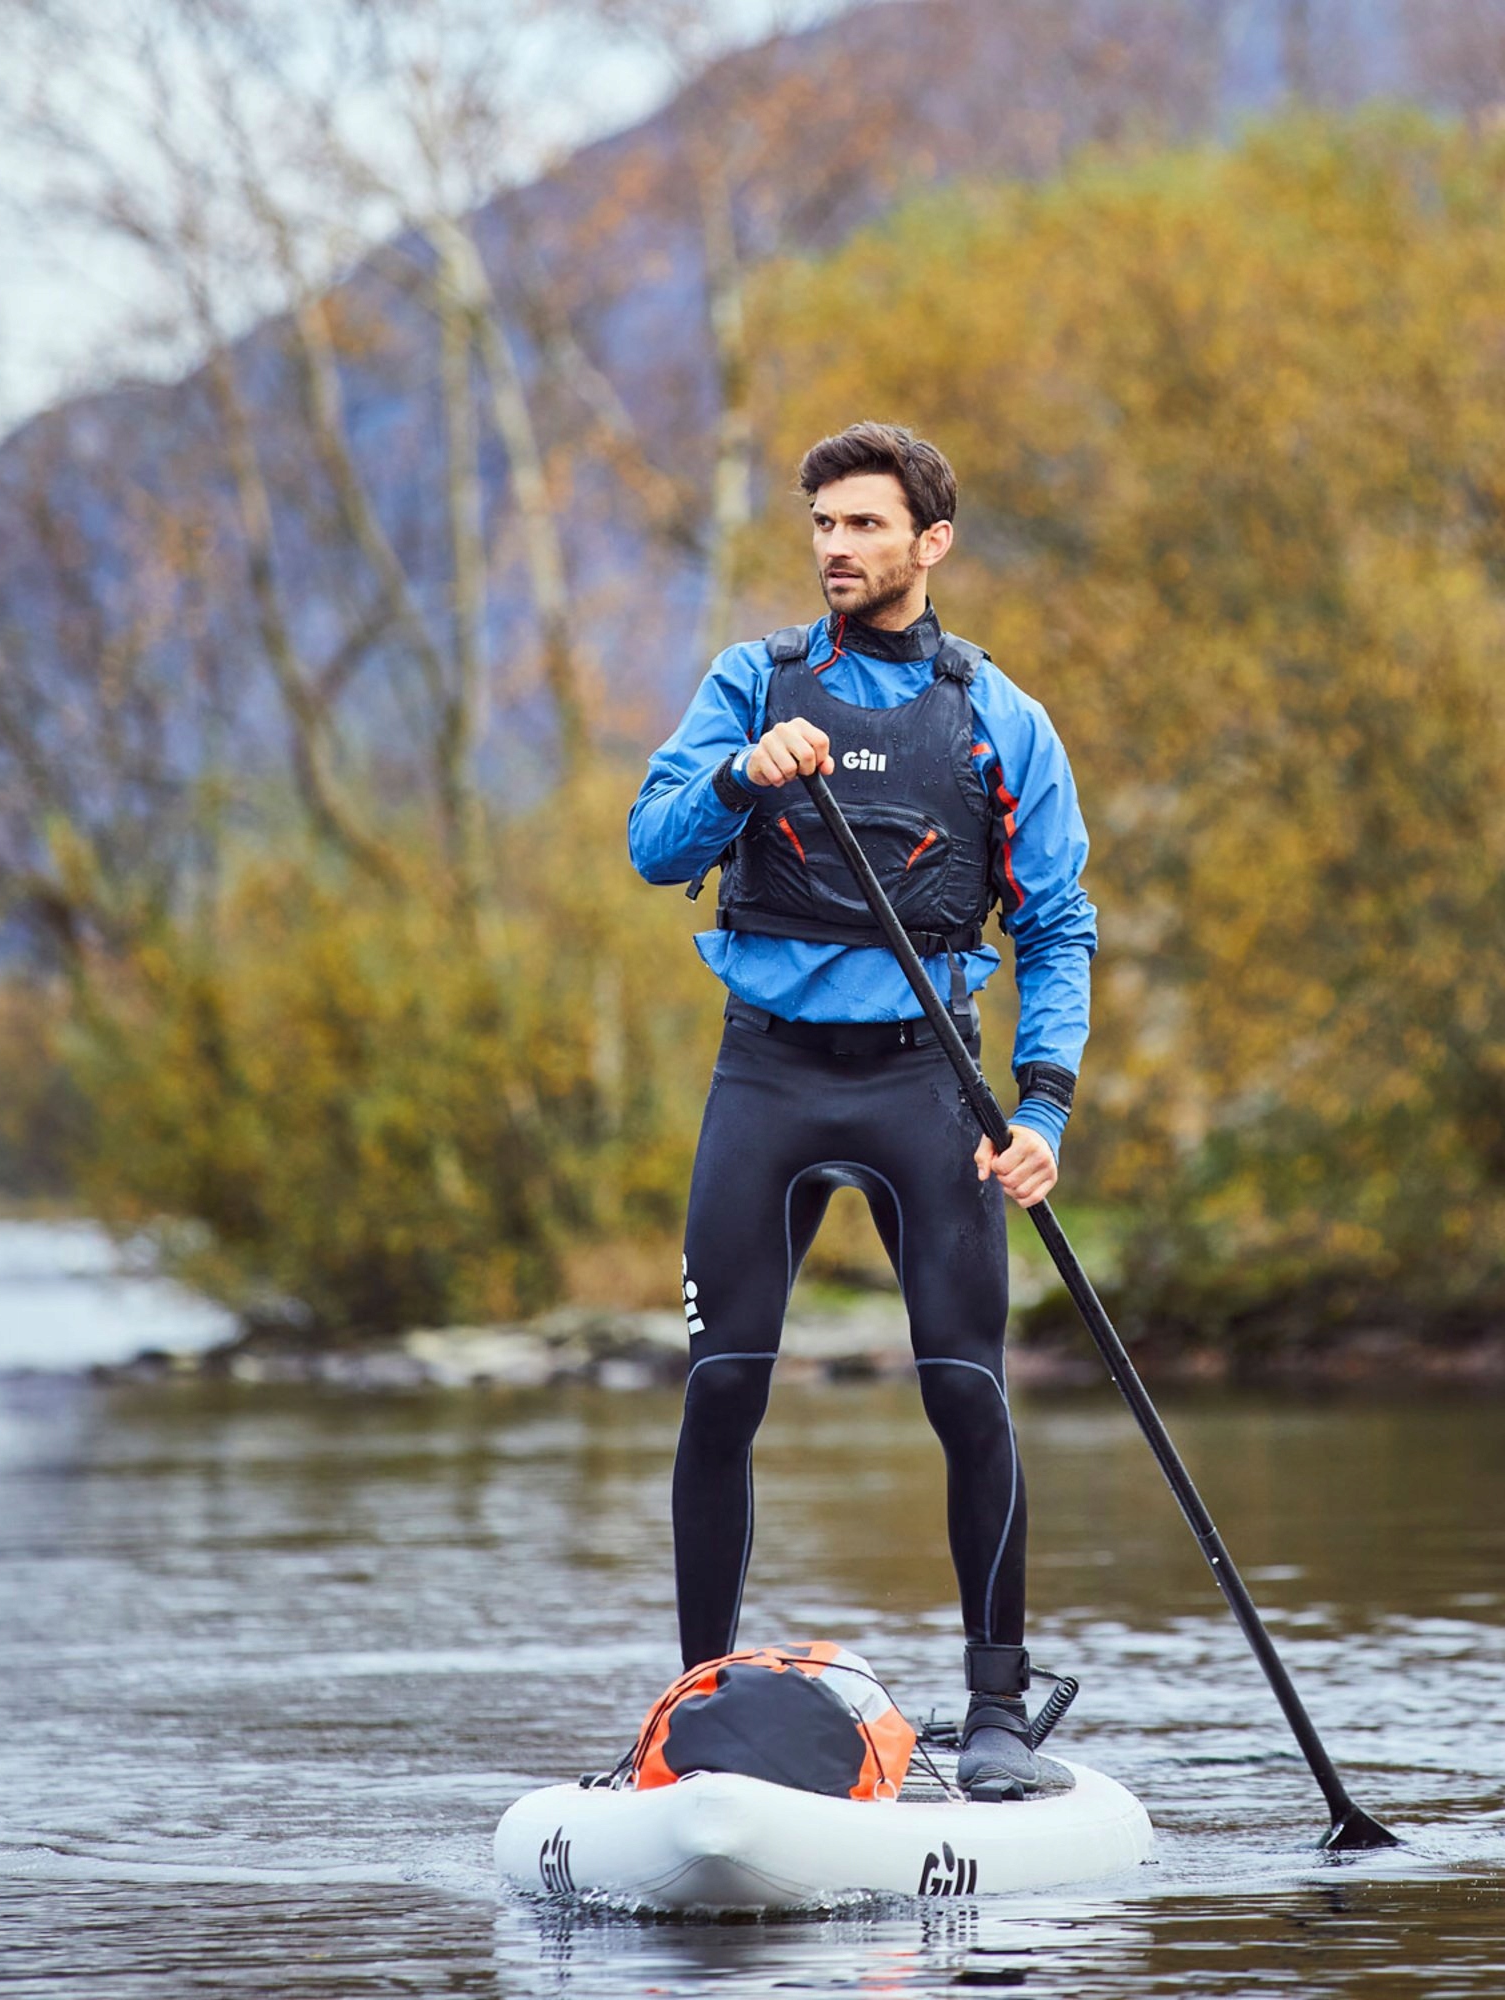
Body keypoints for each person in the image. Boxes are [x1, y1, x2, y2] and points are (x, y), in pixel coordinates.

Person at [627, 421, 1096, 1798]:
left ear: (929, 543)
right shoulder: (750, 683)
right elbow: (657, 849)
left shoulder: (999, 716)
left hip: (925, 1084)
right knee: (721, 1395)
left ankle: (998, 1712)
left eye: (866, 525)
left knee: (969, 1393)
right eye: (824, 524)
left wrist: (1044, 1106)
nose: (837, 547)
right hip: (766, 1075)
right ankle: (690, 1712)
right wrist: (735, 776)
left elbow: (1057, 924)